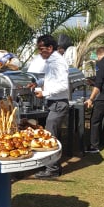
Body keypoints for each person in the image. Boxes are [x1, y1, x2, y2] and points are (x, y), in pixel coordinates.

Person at [31, 34, 69, 179]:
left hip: (59, 104)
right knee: (52, 135)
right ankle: (54, 166)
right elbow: (50, 79)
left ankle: (52, 170)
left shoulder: (57, 62)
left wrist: (45, 93)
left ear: (50, 47)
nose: (40, 52)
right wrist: (37, 83)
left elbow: (63, 85)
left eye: (42, 49)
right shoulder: (51, 61)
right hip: (54, 103)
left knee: (50, 136)